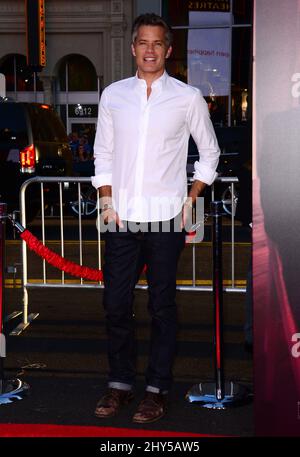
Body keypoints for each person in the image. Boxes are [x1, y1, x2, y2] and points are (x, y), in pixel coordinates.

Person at [91, 13, 220, 424]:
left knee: (162, 306)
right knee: (115, 304)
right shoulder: (114, 95)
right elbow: (104, 154)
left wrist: (192, 195)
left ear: (168, 49)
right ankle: (120, 384)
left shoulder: (187, 97)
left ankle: (156, 389)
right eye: (142, 43)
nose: (149, 50)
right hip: (119, 215)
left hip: (167, 216)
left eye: (157, 43)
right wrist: (106, 200)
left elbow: (210, 152)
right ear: (133, 48)